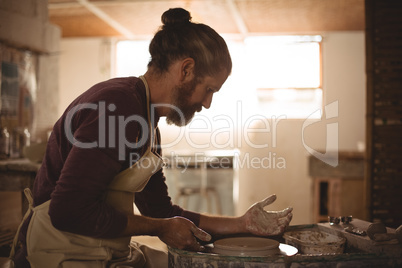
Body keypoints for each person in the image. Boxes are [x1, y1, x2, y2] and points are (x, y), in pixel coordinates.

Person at [10, 7, 293, 268]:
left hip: (98, 250)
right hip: (56, 253)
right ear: (186, 70)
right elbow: (68, 211)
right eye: (209, 90)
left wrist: (242, 224)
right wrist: (159, 228)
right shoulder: (118, 108)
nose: (207, 103)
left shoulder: (146, 119)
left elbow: (160, 211)